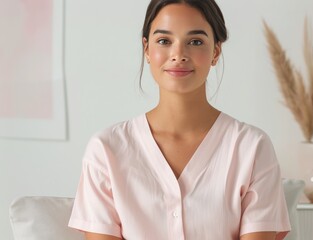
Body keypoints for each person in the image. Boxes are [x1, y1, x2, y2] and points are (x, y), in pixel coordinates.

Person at [68, 0, 291, 239]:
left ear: (216, 51)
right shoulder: (106, 150)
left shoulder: (252, 147)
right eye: (164, 41)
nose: (178, 55)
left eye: (195, 42)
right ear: (146, 49)